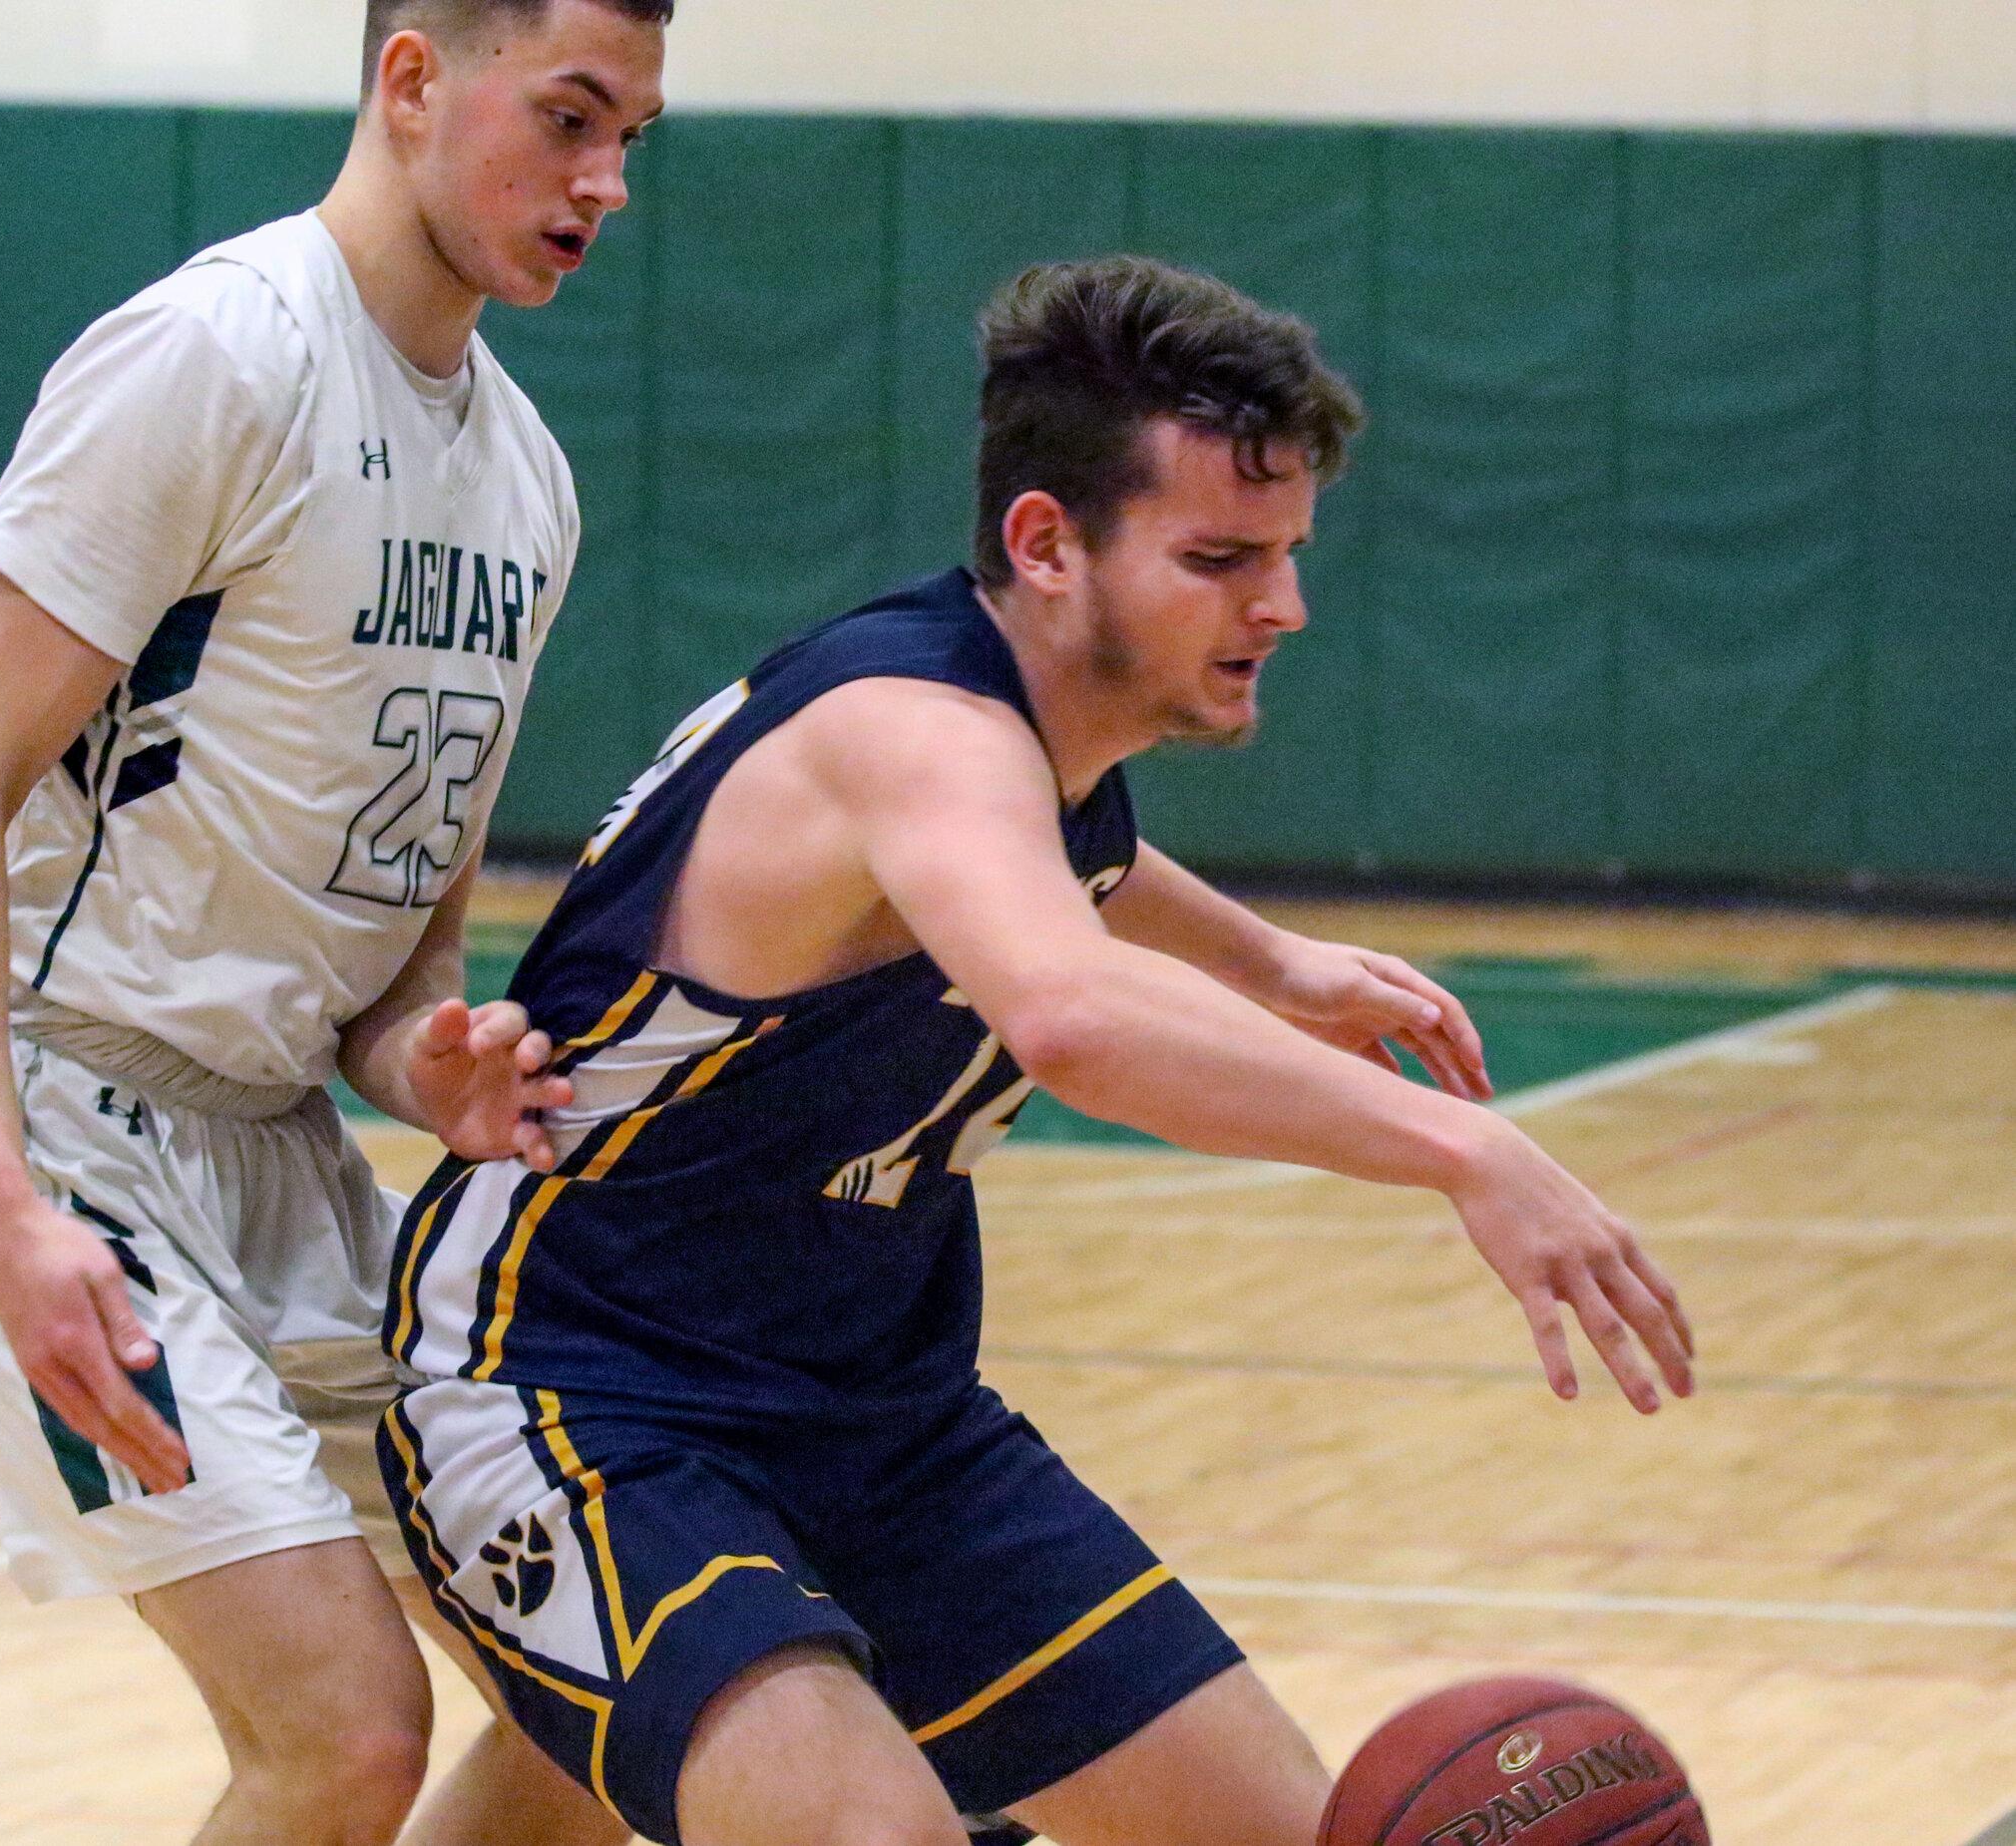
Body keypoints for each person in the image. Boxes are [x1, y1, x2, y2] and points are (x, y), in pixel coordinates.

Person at [375, 256, 1698, 1846]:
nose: (1280, 607)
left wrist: (1271, 960)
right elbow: (1066, 1011)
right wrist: (1465, 1149)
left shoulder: (1033, 753)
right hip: (583, 1388)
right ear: (1045, 544)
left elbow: (1090, 864)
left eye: (1285, 555)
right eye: (1219, 559)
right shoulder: (912, 728)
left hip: (883, 1418)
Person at [0, 5, 665, 1843]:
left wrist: (429, 1061)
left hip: (279, 1148)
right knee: (345, 1730)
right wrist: (7, 1212)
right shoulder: (213, 355)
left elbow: (403, 963)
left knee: (629, 1672)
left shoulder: (530, 483)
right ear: (409, 83)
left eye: (634, 136)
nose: (606, 182)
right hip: (57, 1122)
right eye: (569, 118)